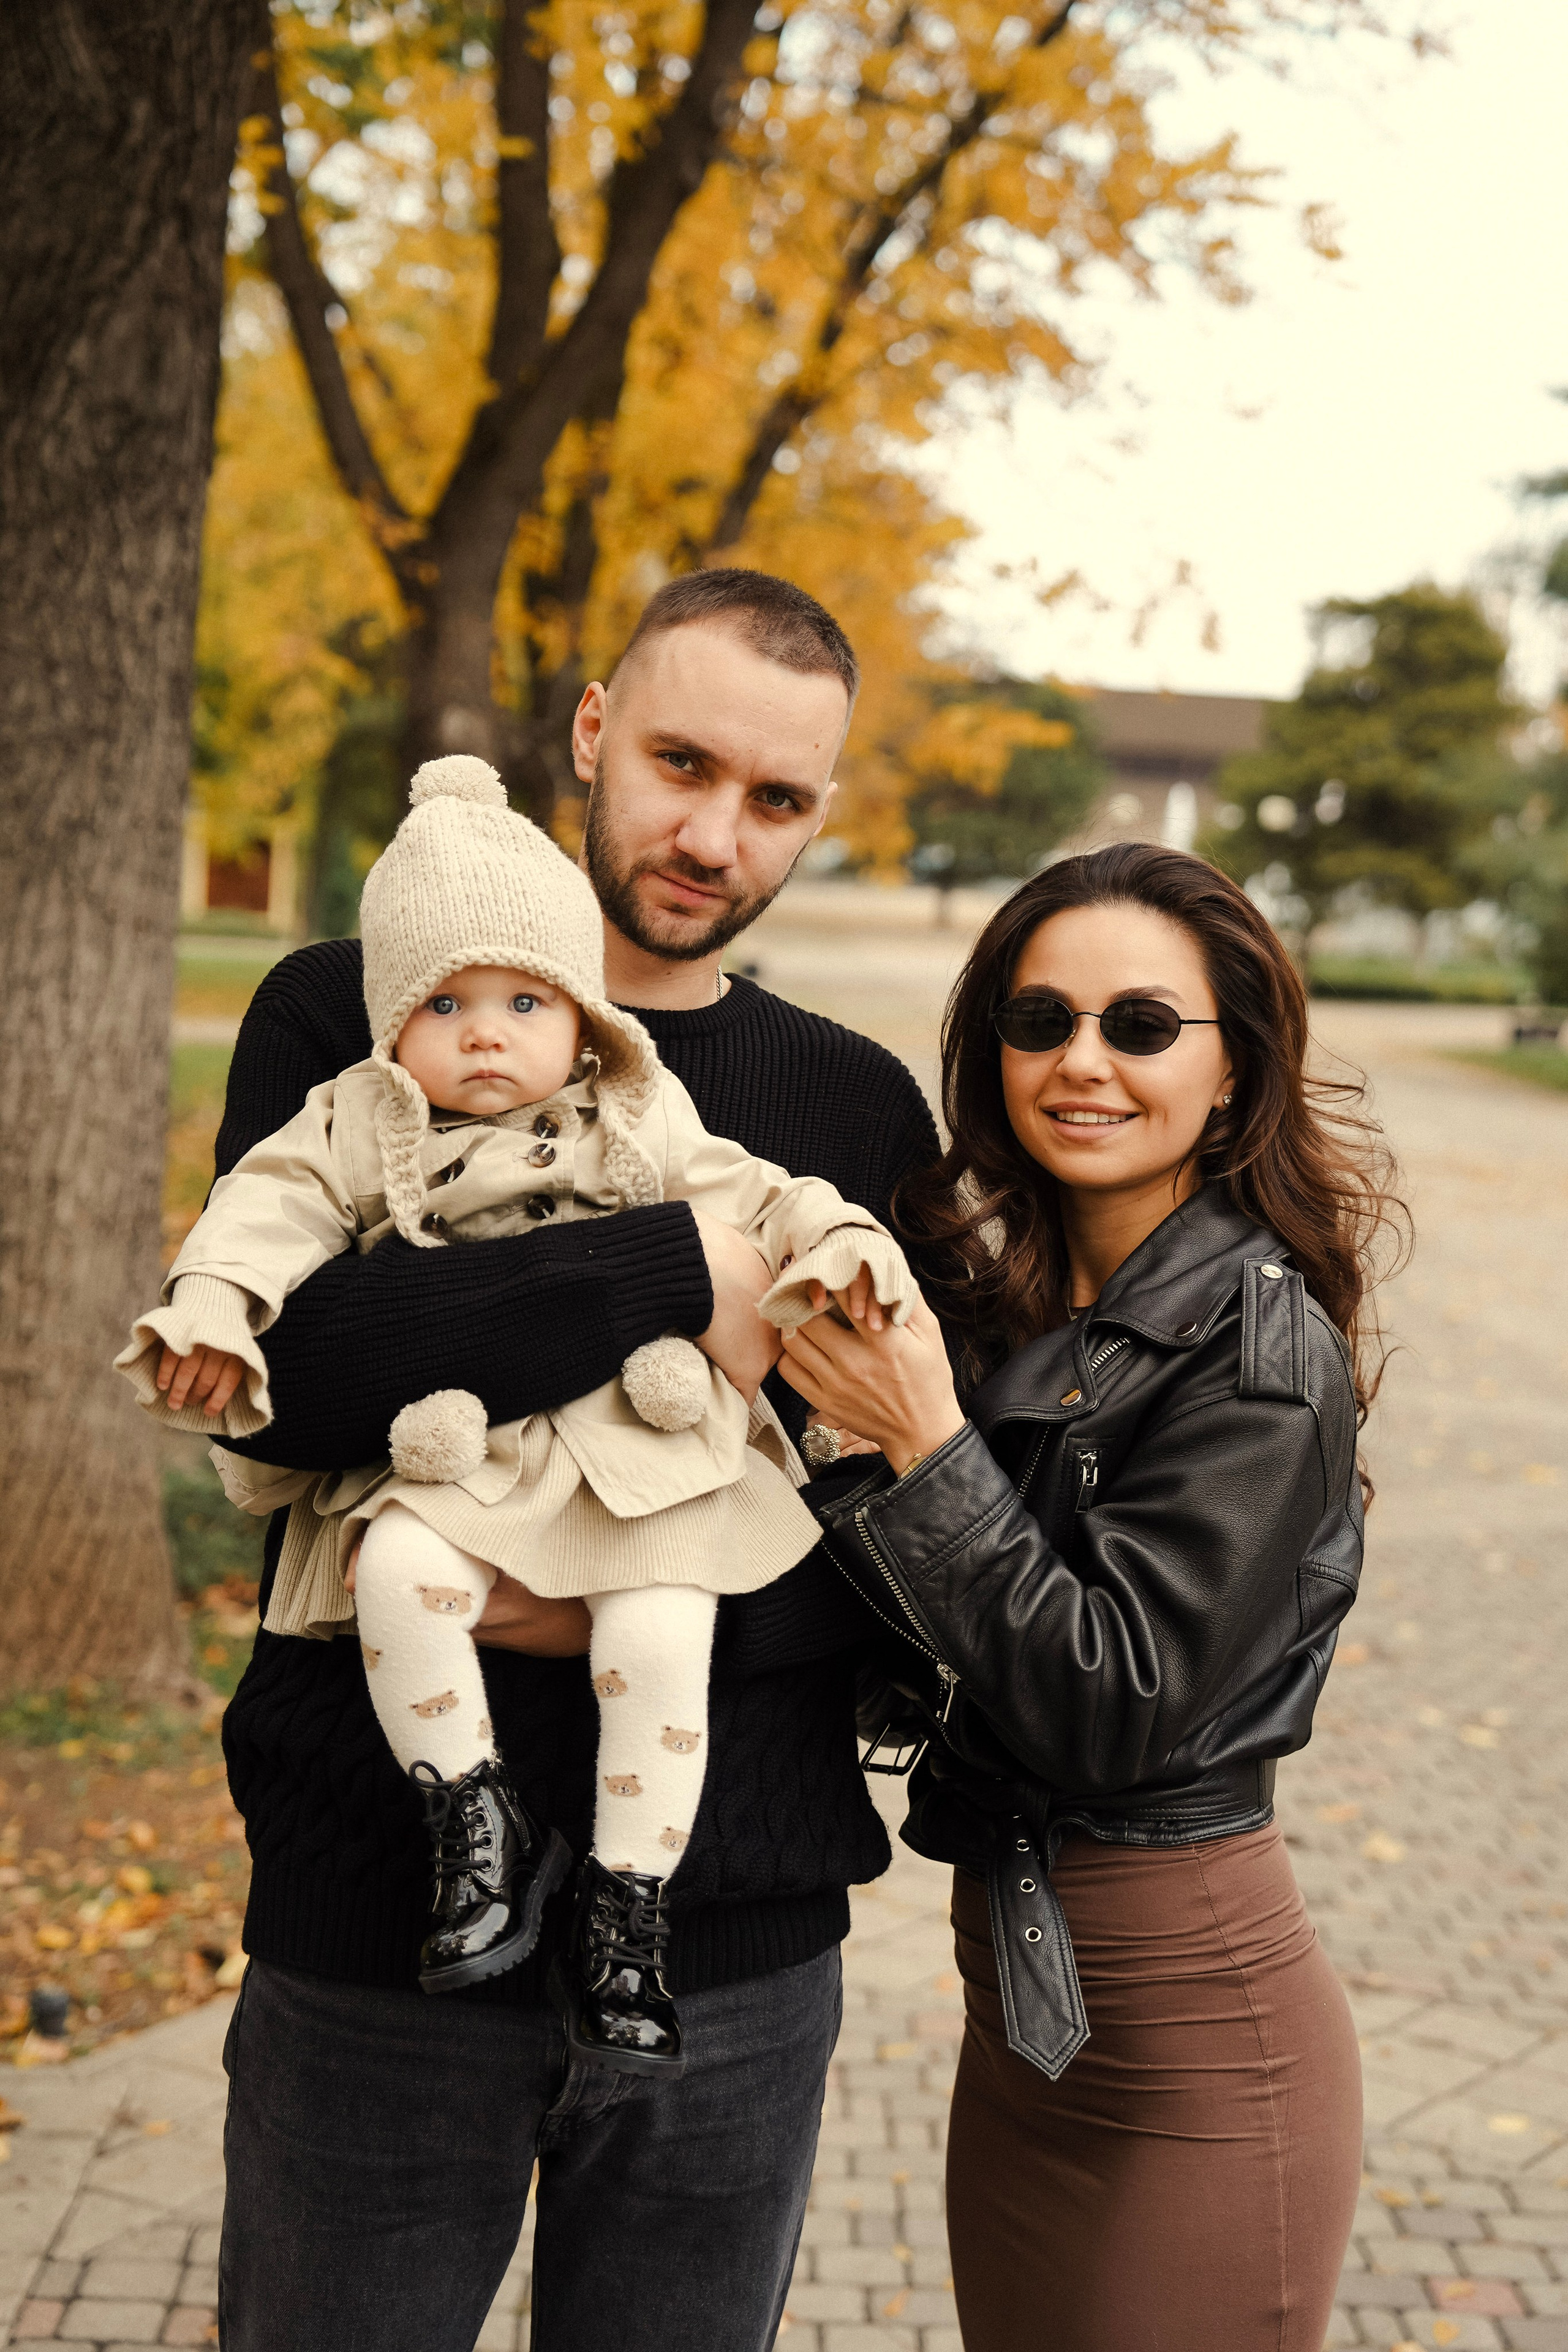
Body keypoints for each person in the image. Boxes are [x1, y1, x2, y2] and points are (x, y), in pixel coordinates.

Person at [198, 570, 937, 2352]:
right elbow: (287, 1385)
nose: (714, 835)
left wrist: (614, 1586)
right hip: (373, 1929)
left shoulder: (847, 1104)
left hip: (731, 1946)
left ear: (820, 811)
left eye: (775, 797)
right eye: (682, 763)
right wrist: (679, 1271)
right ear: (593, 730)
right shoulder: (347, 1012)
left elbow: (892, 1520)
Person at [119, 754, 914, 2073]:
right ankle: (471, 1817)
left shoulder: (640, 1107)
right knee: (395, 1572)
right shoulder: (357, 1116)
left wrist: (844, 1247)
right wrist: (209, 1308)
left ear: (580, 1015)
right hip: (465, 1464)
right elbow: (259, 1214)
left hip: (640, 1465)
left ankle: (626, 1900)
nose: (485, 1035)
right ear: (393, 1023)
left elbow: (772, 1196)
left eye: (525, 1001)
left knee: (661, 1631)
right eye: (445, 1004)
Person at [781, 842, 1400, 2352]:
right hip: (1023, 2027)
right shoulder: (1011, 1312)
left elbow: (1109, 1704)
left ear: (1231, 1074)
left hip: (1193, 2045)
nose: (1080, 1061)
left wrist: (922, 1446)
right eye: (1038, 1019)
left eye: (1139, 1025)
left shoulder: (1254, 1352)